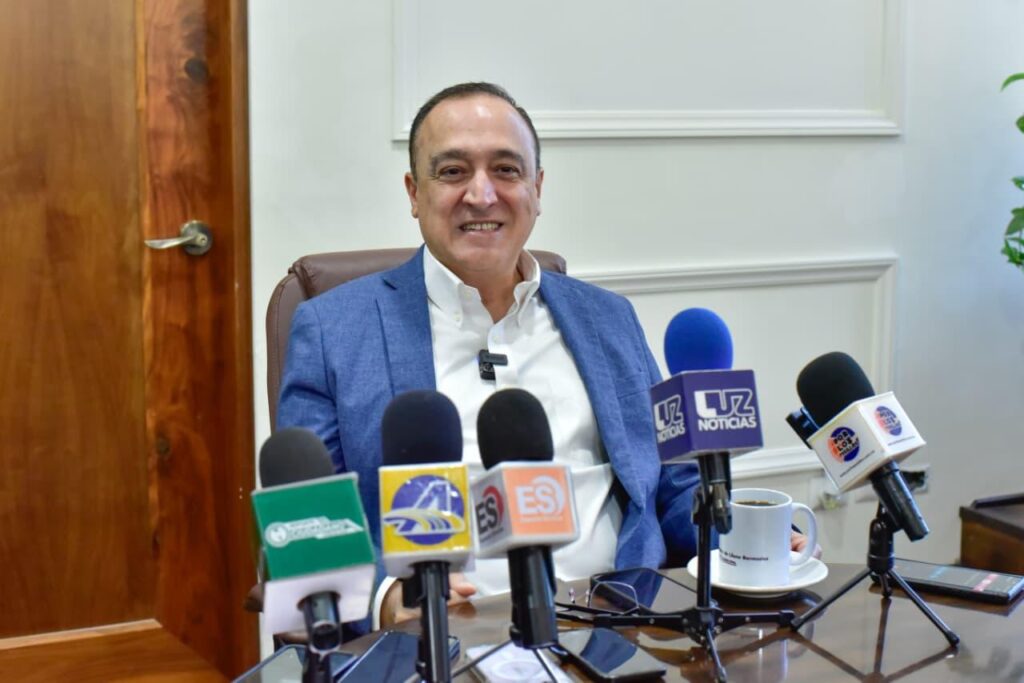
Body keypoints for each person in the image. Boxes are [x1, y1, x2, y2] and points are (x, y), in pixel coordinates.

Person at [277, 82, 812, 632]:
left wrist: (747, 536)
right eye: (453, 171)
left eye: (506, 170)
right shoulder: (333, 330)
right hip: (440, 637)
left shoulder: (607, 318)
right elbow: (308, 526)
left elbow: (671, 485)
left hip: (621, 628)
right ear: (414, 193)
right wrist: (389, 599)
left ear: (536, 188)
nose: (481, 194)